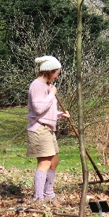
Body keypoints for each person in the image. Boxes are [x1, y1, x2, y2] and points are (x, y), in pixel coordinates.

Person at [27, 55, 70, 202]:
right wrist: (52, 95)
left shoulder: (45, 86)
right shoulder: (36, 85)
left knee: (54, 161)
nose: (56, 78)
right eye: (56, 74)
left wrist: (60, 115)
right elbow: (38, 109)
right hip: (39, 129)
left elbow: (45, 110)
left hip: (48, 129)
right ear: (48, 72)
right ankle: (39, 197)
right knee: (44, 163)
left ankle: (48, 193)